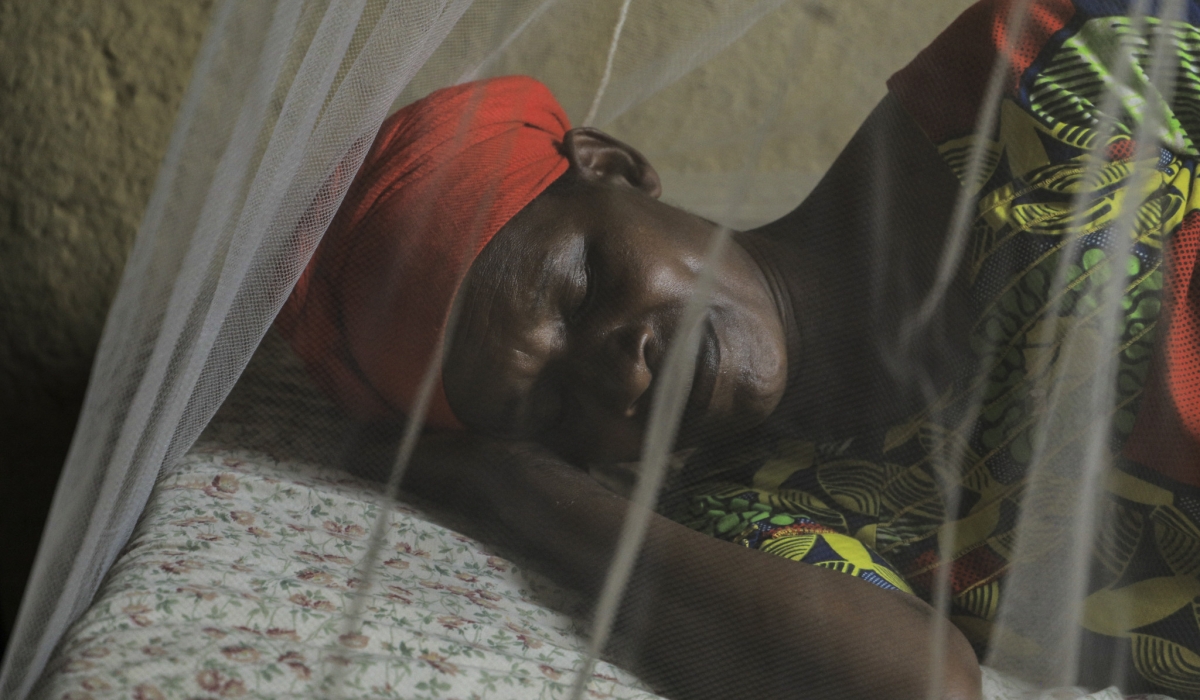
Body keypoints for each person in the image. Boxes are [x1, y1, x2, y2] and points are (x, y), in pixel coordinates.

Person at [278, 0, 1200, 697]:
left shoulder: (1028, 69)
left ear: (610, 165)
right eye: (549, 410)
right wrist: (511, 485)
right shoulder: (754, 511)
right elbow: (917, 684)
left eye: (585, 285)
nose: (618, 367)